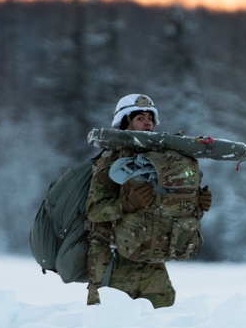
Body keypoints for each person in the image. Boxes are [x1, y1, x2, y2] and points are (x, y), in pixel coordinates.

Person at [83, 93, 212, 308]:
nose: (148, 122)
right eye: (140, 118)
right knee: (107, 324)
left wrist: (197, 205)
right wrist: (125, 204)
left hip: (148, 255)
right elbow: (94, 211)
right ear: (125, 122)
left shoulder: (161, 164)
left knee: (163, 319)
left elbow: (167, 210)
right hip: (112, 259)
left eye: (149, 118)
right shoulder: (110, 163)